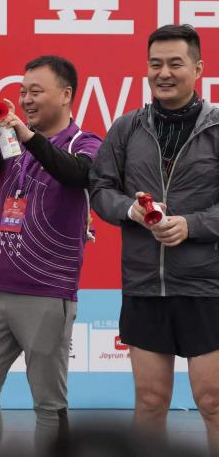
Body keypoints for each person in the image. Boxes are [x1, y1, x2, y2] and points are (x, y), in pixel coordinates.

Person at [0, 55, 102, 457]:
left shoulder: (85, 142)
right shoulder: (12, 140)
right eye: (22, 92)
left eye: (35, 91)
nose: (25, 100)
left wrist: (28, 138)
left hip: (47, 293)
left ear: (66, 94)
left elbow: (76, 173)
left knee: (48, 404)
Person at [90, 24, 219, 455]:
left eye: (175, 63)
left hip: (207, 287)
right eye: (155, 64)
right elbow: (100, 188)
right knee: (149, 402)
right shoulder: (127, 128)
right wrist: (128, 209)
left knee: (213, 402)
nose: (163, 73)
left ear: (197, 68)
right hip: (145, 285)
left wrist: (190, 225)